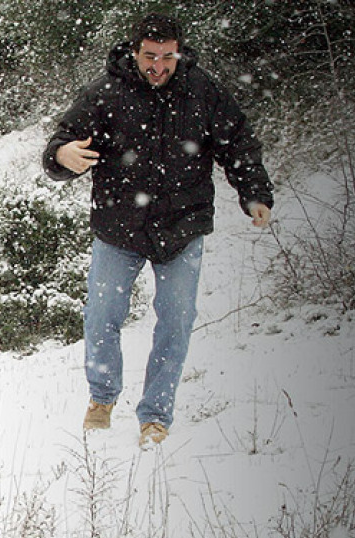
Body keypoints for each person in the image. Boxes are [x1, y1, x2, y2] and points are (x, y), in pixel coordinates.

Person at [42, 13, 274, 447]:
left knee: (176, 321)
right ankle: (102, 398)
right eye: (150, 56)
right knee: (101, 316)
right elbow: (64, 140)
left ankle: (155, 416)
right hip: (119, 226)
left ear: (179, 53)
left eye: (167, 57)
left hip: (182, 225)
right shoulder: (107, 92)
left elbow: (237, 142)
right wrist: (62, 156)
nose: (158, 66)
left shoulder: (202, 90)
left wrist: (255, 194)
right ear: (135, 52)